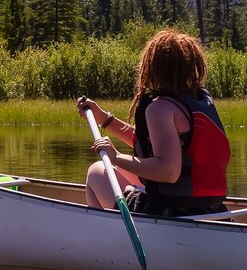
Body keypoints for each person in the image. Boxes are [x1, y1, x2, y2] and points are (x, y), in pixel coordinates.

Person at [78, 30, 231, 217]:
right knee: (121, 172)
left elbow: (168, 172)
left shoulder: (160, 108)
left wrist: (115, 156)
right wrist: (105, 120)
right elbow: (160, 144)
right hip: (211, 208)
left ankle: (107, 239)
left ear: (152, 67)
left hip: (172, 211)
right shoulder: (198, 101)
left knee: (97, 172)